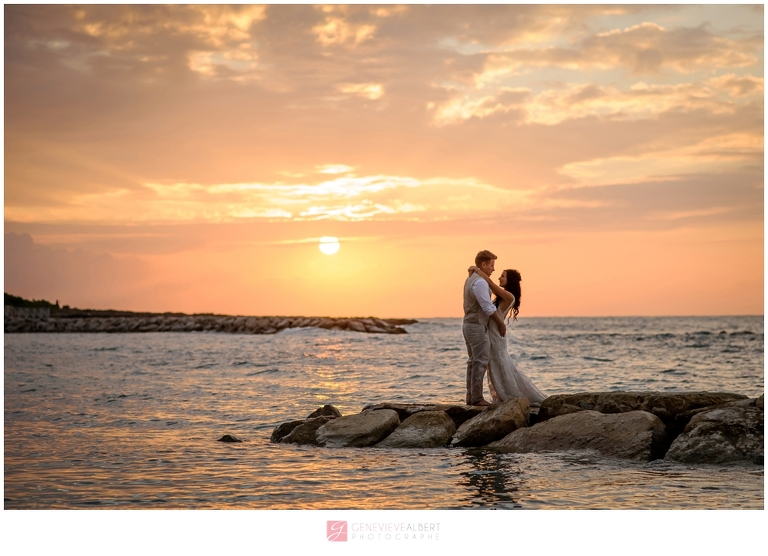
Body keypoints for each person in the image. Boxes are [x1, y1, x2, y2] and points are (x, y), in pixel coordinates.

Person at [467, 265, 546, 409]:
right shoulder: (501, 297)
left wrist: (478, 272)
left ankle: (510, 394)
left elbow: (490, 284)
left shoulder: (509, 296)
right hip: (492, 334)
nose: (499, 278)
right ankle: (502, 393)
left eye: (503, 276)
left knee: (500, 365)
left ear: (509, 281)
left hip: (496, 336)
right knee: (496, 366)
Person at [462, 250, 507, 406]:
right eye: (491, 265)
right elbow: (487, 307)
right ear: (484, 264)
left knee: (473, 361)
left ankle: (471, 397)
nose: (493, 269)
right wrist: (501, 323)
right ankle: (477, 398)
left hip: (469, 324)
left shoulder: (472, 279)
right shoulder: (480, 282)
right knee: (480, 361)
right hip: (476, 326)